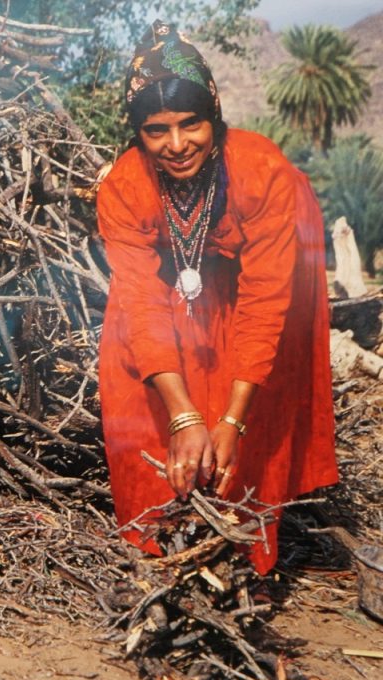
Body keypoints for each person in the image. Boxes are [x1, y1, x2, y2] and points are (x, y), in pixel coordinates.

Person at [96, 20, 338, 574]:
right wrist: (183, 416)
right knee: (125, 343)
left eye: (191, 123)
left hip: (270, 266)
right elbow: (142, 301)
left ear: (216, 116)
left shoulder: (261, 173)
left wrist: (231, 421)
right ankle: (158, 536)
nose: (177, 145)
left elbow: (264, 301)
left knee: (246, 374)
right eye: (156, 130)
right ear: (138, 134)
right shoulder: (125, 187)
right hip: (180, 273)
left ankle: (245, 538)